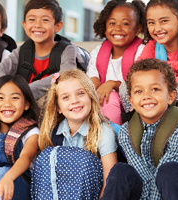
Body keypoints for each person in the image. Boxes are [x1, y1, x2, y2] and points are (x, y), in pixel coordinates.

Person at [101, 58, 178, 200]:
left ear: (171, 96)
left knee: (169, 170)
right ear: (131, 101)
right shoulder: (127, 132)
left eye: (155, 89)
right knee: (120, 170)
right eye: (139, 91)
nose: (146, 96)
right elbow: (142, 175)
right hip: (145, 191)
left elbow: (165, 178)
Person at [0, 0, 87, 107]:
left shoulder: (67, 49)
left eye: (45, 20)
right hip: (19, 101)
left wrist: (26, 90)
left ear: (57, 26)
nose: (37, 25)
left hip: (45, 105)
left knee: (49, 96)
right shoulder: (23, 50)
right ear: (24, 25)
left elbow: (65, 75)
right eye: (31, 20)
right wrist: (13, 88)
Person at [37, 69, 118, 198]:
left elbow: (110, 181)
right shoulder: (53, 134)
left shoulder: (103, 132)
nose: (74, 100)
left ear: (91, 97)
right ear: (58, 107)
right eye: (65, 97)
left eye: (80, 93)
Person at [87, 0, 145, 125]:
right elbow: (93, 77)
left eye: (125, 23)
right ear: (105, 26)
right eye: (112, 23)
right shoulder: (98, 52)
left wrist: (112, 84)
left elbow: (140, 83)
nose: (118, 28)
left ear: (138, 29)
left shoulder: (142, 51)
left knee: (110, 97)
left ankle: (114, 138)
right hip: (101, 103)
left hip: (133, 107)